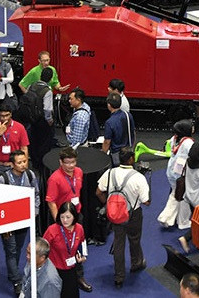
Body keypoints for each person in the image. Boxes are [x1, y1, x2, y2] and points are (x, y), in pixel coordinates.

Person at [96, 147, 150, 288]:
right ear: (131, 159)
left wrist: (108, 204)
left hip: (115, 215)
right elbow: (146, 201)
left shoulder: (109, 173)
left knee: (118, 243)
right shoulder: (138, 177)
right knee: (134, 239)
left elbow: (99, 192)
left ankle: (119, 276)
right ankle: (136, 263)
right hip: (133, 215)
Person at [0, 150, 40, 296]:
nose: (23, 165)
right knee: (11, 251)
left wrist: (35, 210)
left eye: (25, 161)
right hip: (8, 222)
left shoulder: (30, 175)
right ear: (12, 164)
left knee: (18, 248)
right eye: (19, 162)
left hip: (24, 219)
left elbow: (36, 194)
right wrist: (3, 225)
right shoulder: (3, 180)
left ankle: (12, 272)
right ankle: (17, 281)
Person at [43, 202, 87, 298]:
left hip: (71, 269)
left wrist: (83, 256)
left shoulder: (79, 228)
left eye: (68, 217)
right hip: (54, 271)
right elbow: (42, 249)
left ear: (74, 217)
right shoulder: (52, 230)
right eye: (62, 217)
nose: (65, 220)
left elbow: (82, 243)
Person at [0, 103, 29, 182]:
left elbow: (24, 148)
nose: (5, 118)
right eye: (2, 116)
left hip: (14, 166)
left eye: (7, 115)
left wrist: (25, 164)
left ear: (11, 114)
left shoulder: (20, 127)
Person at [27, 67, 56, 173]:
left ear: (40, 76)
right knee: (44, 143)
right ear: (50, 78)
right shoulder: (47, 91)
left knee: (34, 140)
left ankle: (34, 162)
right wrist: (49, 120)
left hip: (32, 118)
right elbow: (47, 109)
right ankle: (42, 165)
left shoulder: (32, 86)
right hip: (42, 121)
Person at [102, 93, 135, 167]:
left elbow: (107, 142)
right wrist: (131, 147)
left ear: (109, 105)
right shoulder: (128, 115)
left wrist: (103, 155)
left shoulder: (109, 122)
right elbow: (133, 132)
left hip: (117, 154)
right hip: (129, 150)